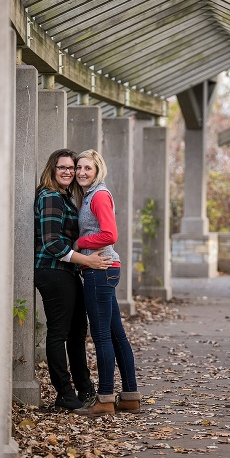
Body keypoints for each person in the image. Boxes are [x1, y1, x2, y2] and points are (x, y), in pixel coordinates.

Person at [35, 148, 112, 410]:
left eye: (72, 167)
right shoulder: (50, 197)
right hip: (52, 271)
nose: (69, 172)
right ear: (52, 169)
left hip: (67, 271)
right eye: (63, 167)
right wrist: (87, 260)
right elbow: (52, 244)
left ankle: (84, 388)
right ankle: (65, 394)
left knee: (78, 330)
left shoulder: (65, 197)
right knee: (59, 332)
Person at [72, 149, 141, 416]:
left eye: (87, 168)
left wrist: (80, 242)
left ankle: (105, 399)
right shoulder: (90, 195)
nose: (81, 172)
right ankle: (130, 397)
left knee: (102, 336)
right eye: (79, 167)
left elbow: (110, 234)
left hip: (100, 270)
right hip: (105, 269)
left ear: (97, 170)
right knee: (116, 334)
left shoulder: (99, 195)